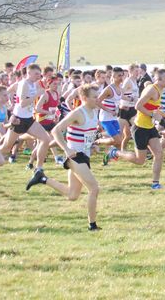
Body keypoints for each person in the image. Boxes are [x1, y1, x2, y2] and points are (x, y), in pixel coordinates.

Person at [24, 83, 103, 231]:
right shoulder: (78, 113)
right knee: (94, 188)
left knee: (73, 195)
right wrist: (66, 149)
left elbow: (89, 133)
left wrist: (93, 144)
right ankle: (92, 225)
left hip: (84, 155)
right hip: (74, 156)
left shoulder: (94, 111)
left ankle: (42, 178)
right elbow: (55, 130)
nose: (98, 99)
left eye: (98, 96)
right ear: (84, 98)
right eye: (95, 97)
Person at [107, 69, 165, 190]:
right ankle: (115, 152)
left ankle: (155, 183)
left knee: (159, 154)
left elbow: (152, 107)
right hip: (140, 128)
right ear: (158, 80)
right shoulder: (152, 89)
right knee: (139, 160)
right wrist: (153, 115)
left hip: (150, 127)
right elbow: (138, 106)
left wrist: (164, 115)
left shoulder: (160, 89)